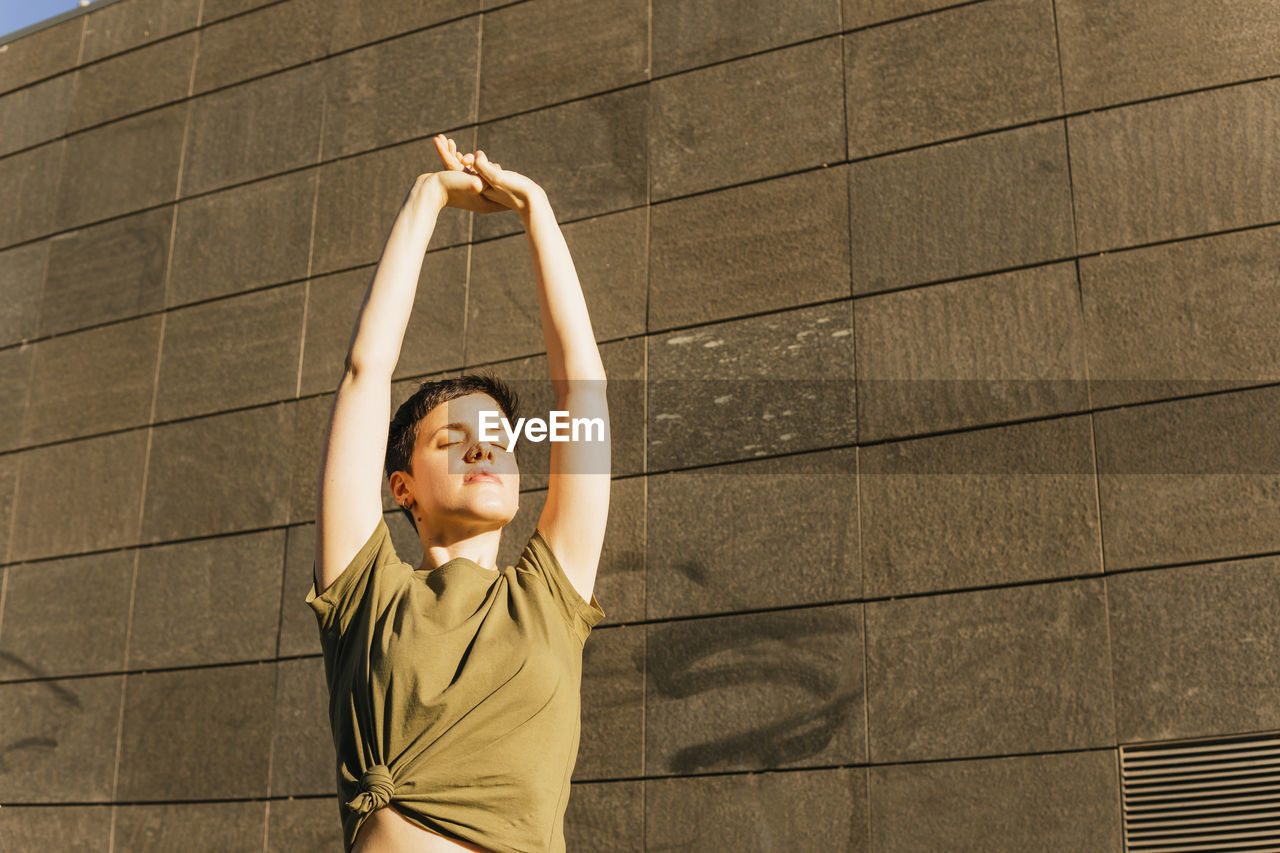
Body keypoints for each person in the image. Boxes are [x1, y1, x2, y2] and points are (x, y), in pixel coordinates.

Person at [306, 133, 611, 853]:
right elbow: (364, 373)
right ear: (402, 487)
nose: (482, 446)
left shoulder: (548, 596)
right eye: (453, 440)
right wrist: (429, 197)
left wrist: (537, 210)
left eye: (500, 441)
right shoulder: (366, 596)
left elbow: (582, 392)